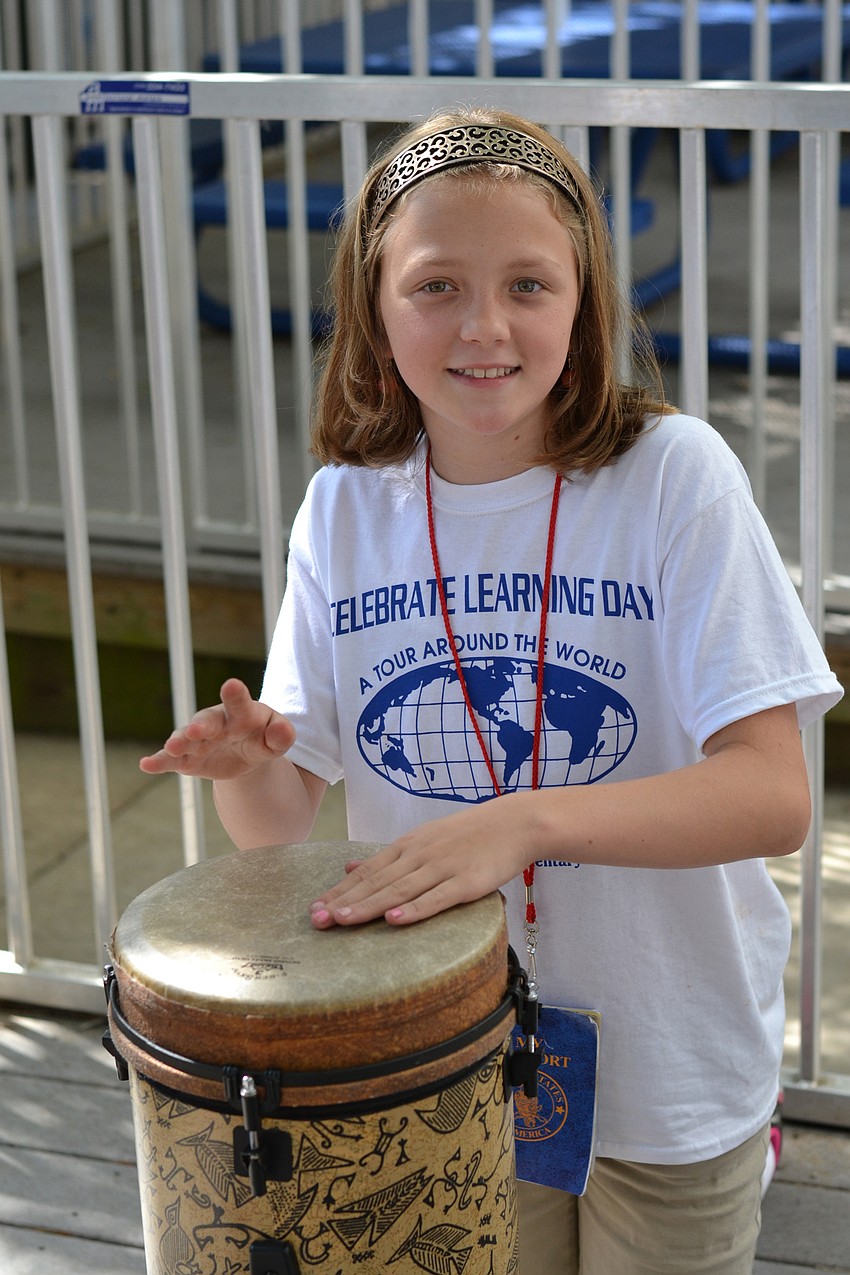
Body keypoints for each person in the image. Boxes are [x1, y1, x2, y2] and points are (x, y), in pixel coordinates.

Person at [140, 107, 843, 1273]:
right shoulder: (345, 509)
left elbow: (771, 797)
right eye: (435, 287)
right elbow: (278, 826)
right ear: (373, 304)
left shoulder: (674, 479)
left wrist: (519, 826)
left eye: (528, 284)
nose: (484, 326)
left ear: (585, 300)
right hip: (436, 1060)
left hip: (670, 1067)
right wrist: (256, 764)